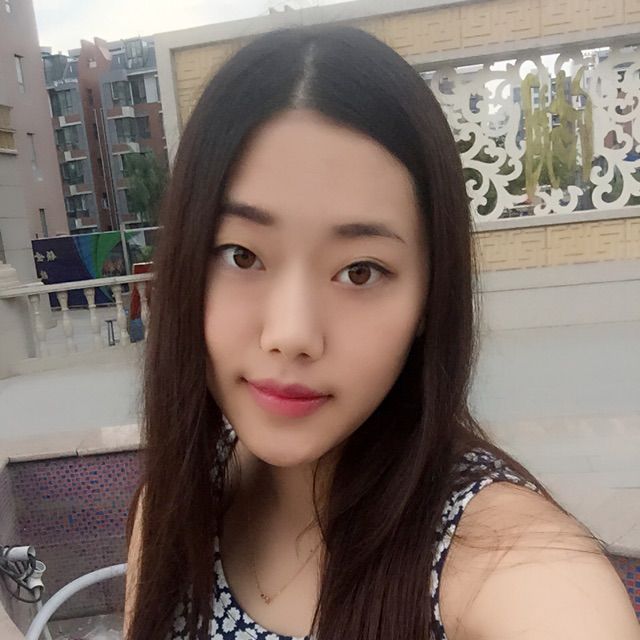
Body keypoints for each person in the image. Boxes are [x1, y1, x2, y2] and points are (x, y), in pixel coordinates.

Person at [123, 25, 639, 640]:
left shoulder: (515, 570)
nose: (291, 334)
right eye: (241, 255)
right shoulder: (175, 507)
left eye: (360, 271)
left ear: (428, 298)